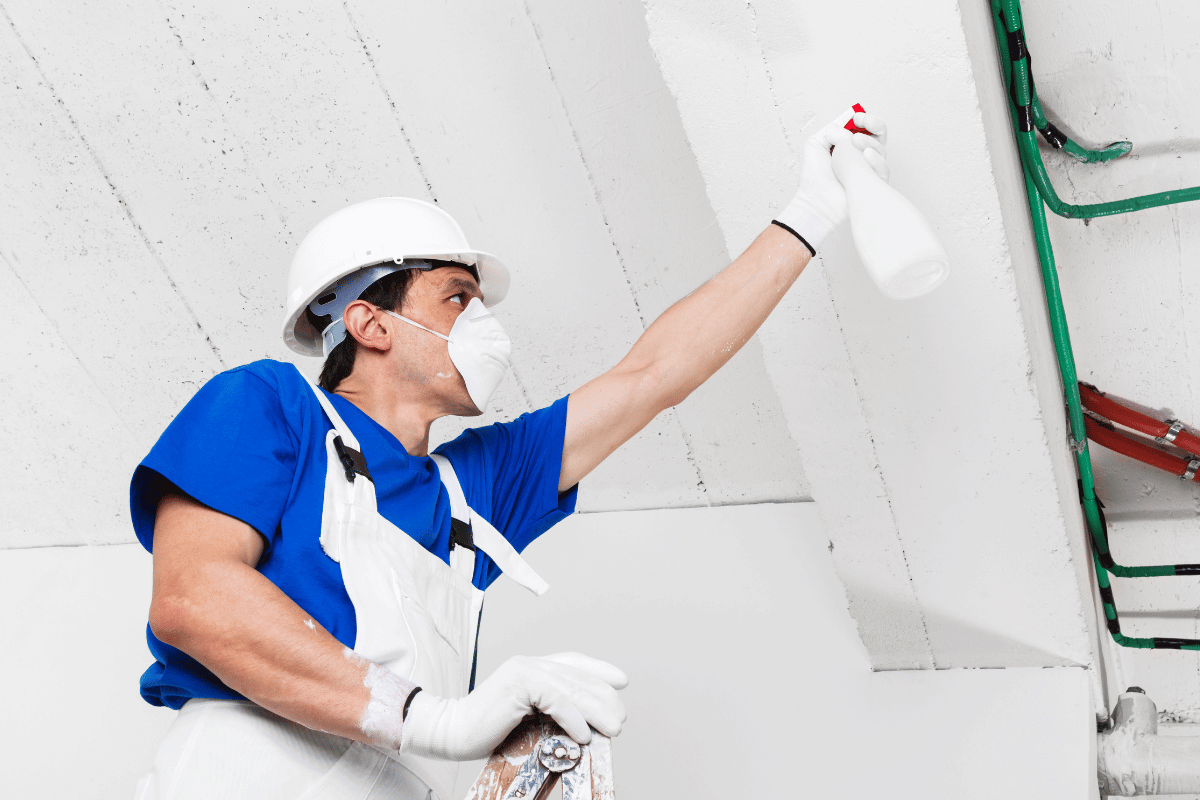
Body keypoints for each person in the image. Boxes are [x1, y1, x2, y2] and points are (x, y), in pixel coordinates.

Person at [132, 108, 888, 799]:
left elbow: (653, 377)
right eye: (458, 297)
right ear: (369, 323)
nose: (486, 325)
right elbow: (194, 600)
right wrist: (439, 722)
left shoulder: (473, 494)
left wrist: (812, 211)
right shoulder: (270, 406)